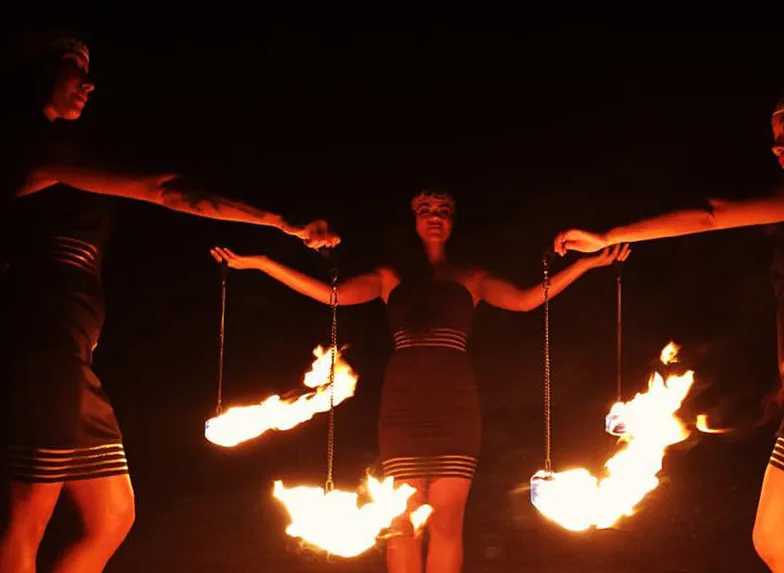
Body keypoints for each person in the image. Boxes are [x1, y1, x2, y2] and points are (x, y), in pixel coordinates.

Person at [0, 34, 339, 573]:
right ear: (36, 73)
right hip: (44, 346)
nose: (88, 82)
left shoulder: (72, 159)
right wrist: (278, 222)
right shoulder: (31, 149)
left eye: (90, 71)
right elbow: (165, 189)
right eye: (72, 67)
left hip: (73, 355)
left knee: (112, 517)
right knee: (26, 522)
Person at [554, 92, 784, 573]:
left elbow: (711, 213)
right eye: (773, 133)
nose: (777, 143)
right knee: (777, 543)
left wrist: (610, 235)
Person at [211, 189, 630, 573]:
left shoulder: (471, 277)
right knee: (403, 521)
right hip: (402, 408)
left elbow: (525, 300)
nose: (435, 217)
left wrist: (587, 263)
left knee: (447, 522)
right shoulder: (390, 277)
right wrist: (262, 264)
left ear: (453, 222)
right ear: (412, 219)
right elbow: (329, 294)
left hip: (456, 406)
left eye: (444, 210)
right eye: (426, 209)